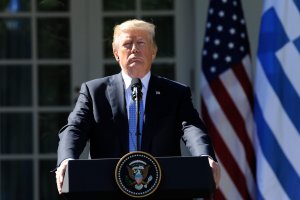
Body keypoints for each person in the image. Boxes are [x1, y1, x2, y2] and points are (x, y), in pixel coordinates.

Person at [55, 19, 220, 196]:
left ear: (153, 51)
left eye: (141, 43)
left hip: (162, 189)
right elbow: (75, 128)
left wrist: (205, 157)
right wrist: (66, 159)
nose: (134, 49)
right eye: (127, 44)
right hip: (108, 190)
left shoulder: (175, 93)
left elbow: (191, 127)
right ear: (116, 53)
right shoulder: (94, 91)